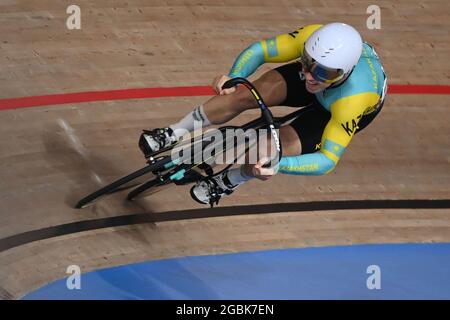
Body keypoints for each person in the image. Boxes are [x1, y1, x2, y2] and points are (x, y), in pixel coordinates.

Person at [139, 22, 387, 206]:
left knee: (269, 152)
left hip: (338, 105)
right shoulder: (312, 39)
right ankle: (175, 132)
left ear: (345, 73)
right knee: (245, 94)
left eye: (323, 73)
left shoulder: (354, 100)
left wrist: (280, 164)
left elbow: (328, 160)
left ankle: (232, 179)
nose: (311, 76)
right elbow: (260, 51)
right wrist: (235, 77)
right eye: (307, 63)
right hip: (330, 87)